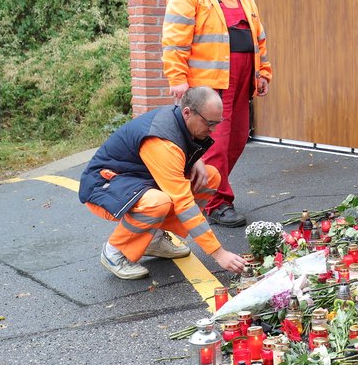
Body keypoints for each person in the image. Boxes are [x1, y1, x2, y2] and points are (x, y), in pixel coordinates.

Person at [78, 87, 248, 280]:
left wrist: (195, 160)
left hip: (137, 180)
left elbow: (180, 148)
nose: (213, 130)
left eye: (217, 123)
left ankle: (154, 239)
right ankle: (115, 252)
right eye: (209, 123)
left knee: (209, 176)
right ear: (187, 112)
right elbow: (183, 203)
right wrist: (219, 253)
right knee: (158, 202)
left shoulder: (180, 121)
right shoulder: (162, 141)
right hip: (105, 185)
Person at [162, 0, 272, 228]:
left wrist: (263, 72)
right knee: (216, 146)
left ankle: (199, 190)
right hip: (209, 88)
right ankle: (217, 203)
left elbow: (258, 38)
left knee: (236, 141)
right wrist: (178, 79)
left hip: (242, 84)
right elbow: (174, 43)